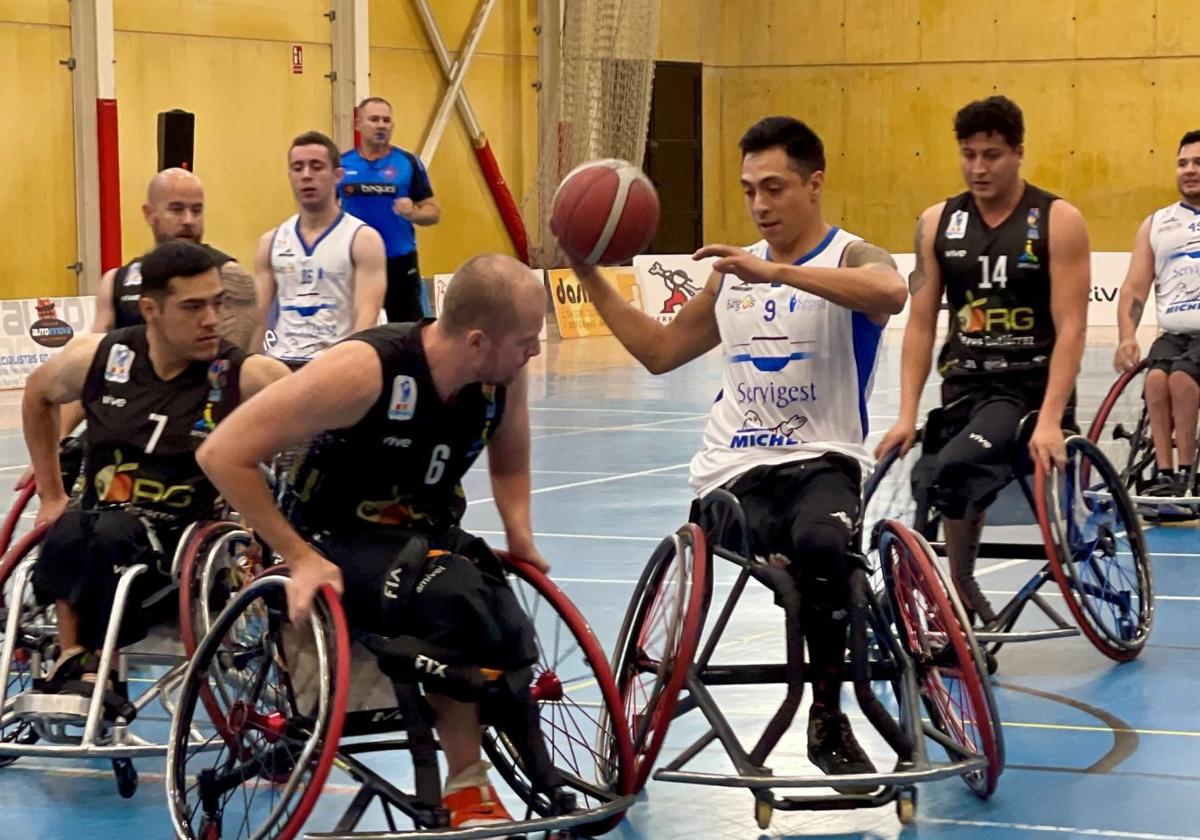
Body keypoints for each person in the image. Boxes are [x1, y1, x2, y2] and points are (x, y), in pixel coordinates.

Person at [565, 116, 907, 789]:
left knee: (821, 547)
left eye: (774, 188)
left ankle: (827, 718)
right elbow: (660, 353)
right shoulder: (730, 276)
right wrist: (589, 275)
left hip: (824, 462)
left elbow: (891, 293)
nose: (759, 204)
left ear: (815, 185)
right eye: (750, 190)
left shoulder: (853, 257)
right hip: (734, 474)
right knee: (804, 558)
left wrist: (776, 271)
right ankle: (814, 597)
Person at [197, 253, 547, 828]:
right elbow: (222, 453)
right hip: (332, 535)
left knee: (496, 605)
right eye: (527, 341)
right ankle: (466, 783)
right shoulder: (365, 370)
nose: (535, 351)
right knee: (450, 596)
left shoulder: (499, 378)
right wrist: (298, 556)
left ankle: (520, 762)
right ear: (479, 340)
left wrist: (520, 534)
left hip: (424, 534)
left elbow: (508, 462)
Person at [22, 240, 289, 702]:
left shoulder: (244, 374)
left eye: (217, 304)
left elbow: (312, 430)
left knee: (111, 532)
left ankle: (94, 667)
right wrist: (50, 492)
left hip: (181, 546)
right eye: (192, 307)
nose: (211, 319)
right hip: (97, 523)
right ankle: (75, 658)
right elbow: (37, 392)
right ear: (150, 309)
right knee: (66, 527)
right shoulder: (102, 357)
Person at [876, 95, 1091, 625]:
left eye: (991, 155)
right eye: (968, 154)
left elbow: (1073, 329)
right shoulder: (936, 223)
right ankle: (960, 584)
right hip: (964, 390)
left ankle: (954, 590)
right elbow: (922, 323)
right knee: (932, 474)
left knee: (948, 470)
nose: (978, 167)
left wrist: (1049, 420)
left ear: (1018, 153)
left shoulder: (1057, 221)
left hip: (1027, 392)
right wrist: (906, 414)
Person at [1114, 129, 1200, 497]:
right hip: (1173, 334)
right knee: (1155, 381)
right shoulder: (1157, 224)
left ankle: (1187, 471)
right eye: (1182, 163)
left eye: (1197, 163)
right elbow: (1134, 287)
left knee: (1181, 379)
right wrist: (1127, 335)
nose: (1188, 170)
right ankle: (1165, 474)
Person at [254, 131, 387, 367]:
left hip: (334, 365)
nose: (306, 175)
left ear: (337, 175)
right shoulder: (270, 241)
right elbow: (257, 319)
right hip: (281, 364)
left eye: (316, 167)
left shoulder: (363, 239)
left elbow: (366, 318)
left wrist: (348, 368)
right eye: (298, 167)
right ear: (290, 175)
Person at [95, 167, 257, 350]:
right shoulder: (116, 280)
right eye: (177, 209)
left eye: (196, 210)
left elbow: (233, 361)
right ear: (149, 214)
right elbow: (98, 354)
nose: (189, 220)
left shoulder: (230, 276)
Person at [340, 97, 441, 323]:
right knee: (355, 331)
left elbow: (434, 212)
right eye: (374, 119)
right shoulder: (342, 165)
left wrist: (413, 212)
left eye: (386, 120)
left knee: (407, 333)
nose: (381, 125)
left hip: (400, 263)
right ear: (358, 124)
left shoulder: (408, 163)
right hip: (355, 262)